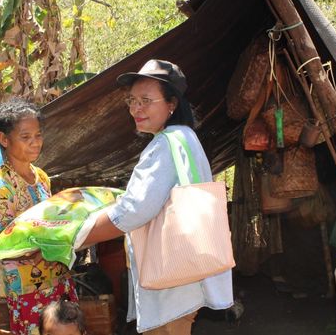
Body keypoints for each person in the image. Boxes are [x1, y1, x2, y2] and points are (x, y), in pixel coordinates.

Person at [82, 59, 234, 334]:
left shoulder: (165, 144)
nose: (136, 109)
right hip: (189, 270)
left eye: (146, 100)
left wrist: (80, 235)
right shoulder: (185, 137)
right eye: (132, 101)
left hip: (173, 277)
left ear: (171, 104)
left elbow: (136, 209)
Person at [0, 98, 78, 335]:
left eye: (38, 135)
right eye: (25, 137)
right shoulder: (0, 188)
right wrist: (48, 246)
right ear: (4, 140)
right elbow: (5, 241)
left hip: (58, 278)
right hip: (27, 287)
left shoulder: (42, 177)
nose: (35, 143)